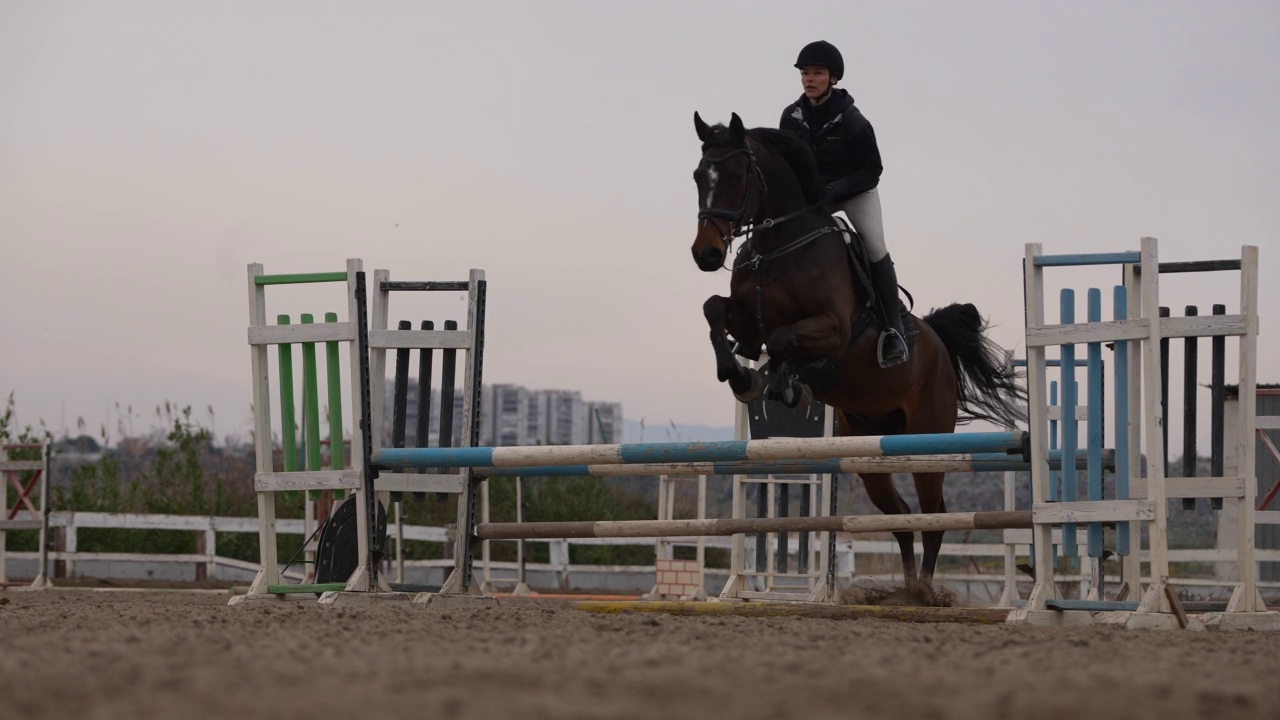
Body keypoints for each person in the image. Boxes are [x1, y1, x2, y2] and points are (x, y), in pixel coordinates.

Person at [779, 40, 908, 368]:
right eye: (805, 73)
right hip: (813, 197)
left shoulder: (853, 120)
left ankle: (894, 330)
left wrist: (834, 189)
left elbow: (872, 170)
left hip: (854, 192)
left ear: (833, 78)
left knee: (875, 246)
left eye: (817, 73)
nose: (809, 79)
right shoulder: (791, 117)